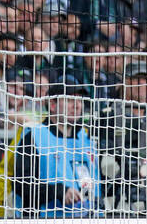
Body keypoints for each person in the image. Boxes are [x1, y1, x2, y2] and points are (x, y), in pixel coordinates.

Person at [10, 87, 100, 217]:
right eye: (70, 100)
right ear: (52, 105)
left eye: (80, 100)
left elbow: (91, 184)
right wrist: (59, 191)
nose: (77, 105)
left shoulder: (86, 140)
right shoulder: (34, 137)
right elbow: (21, 186)